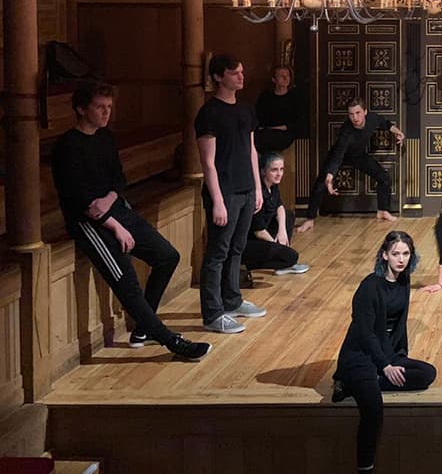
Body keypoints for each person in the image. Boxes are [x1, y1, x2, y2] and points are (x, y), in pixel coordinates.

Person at [50, 81, 210, 361]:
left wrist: (112, 201)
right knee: (127, 281)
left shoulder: (105, 137)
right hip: (90, 224)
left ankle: (143, 327)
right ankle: (170, 341)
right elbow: (80, 198)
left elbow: (118, 179)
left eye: (109, 107)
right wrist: (115, 225)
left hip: (114, 208)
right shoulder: (67, 145)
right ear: (81, 108)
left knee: (167, 256)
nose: (106, 112)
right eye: (100, 107)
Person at [331, 231, 437, 474]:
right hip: (360, 355)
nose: (401, 259)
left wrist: (397, 357)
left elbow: (400, 324)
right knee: (373, 410)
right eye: (396, 254)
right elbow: (365, 333)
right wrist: (386, 365)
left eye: (406, 254)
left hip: (386, 351)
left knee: (426, 374)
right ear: (384, 255)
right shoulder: (369, 287)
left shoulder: (404, 280)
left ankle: (357, 385)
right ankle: (365, 468)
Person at [195, 54, 266, 334]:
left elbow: (251, 150)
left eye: (241, 71)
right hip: (223, 192)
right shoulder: (209, 113)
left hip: (246, 188)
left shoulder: (246, 109)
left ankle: (232, 299)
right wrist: (218, 201)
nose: (241, 76)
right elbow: (207, 162)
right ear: (218, 77)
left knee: (237, 249)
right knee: (217, 253)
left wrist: (258, 187)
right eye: (234, 73)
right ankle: (212, 314)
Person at [298, 98, 403, 232]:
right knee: (321, 183)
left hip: (357, 155)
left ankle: (382, 211)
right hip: (339, 155)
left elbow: (385, 123)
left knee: (383, 177)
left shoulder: (372, 118)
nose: (355, 117)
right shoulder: (346, 132)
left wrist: (397, 132)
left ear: (365, 112)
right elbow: (338, 156)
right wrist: (330, 176)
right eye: (351, 114)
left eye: (358, 113)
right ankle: (309, 220)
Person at [242, 152, 310, 277]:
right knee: (291, 256)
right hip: (251, 242)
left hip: (264, 236)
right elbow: (259, 231)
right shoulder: (258, 193)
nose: (279, 174)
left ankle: (280, 259)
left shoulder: (273, 186)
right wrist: (277, 246)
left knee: (288, 215)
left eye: (281, 169)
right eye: (274, 170)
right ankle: (254, 264)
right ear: (263, 172)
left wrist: (282, 230)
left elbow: (279, 206)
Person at [254, 64, 306, 153]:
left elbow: (299, 121)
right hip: (266, 132)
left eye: (288, 75)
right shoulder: (265, 97)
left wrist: (284, 127)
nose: (286, 78)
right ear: (274, 79)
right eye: (281, 76)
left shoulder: (295, 98)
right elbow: (259, 117)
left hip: (286, 133)